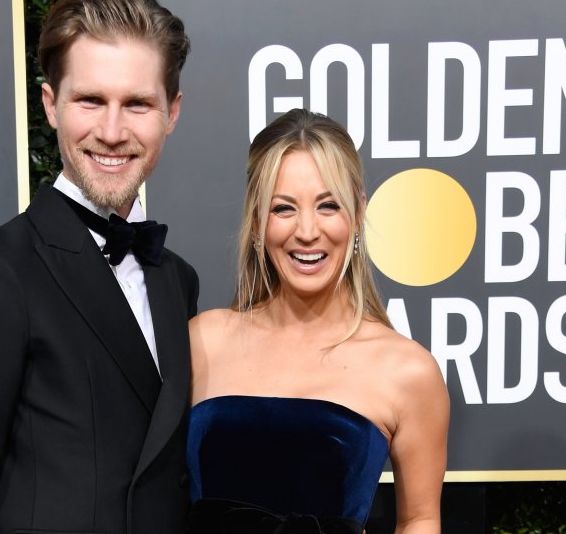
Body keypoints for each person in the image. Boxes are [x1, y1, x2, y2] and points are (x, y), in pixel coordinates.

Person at [0, 0, 198, 534]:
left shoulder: (177, 279)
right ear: (51, 105)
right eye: (90, 100)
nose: (113, 132)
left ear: (171, 112)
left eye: (137, 103)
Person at [186, 109, 449, 534]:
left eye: (328, 205)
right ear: (257, 222)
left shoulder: (408, 371)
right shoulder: (203, 340)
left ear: (358, 213)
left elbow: (419, 520)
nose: (307, 231)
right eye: (283, 208)